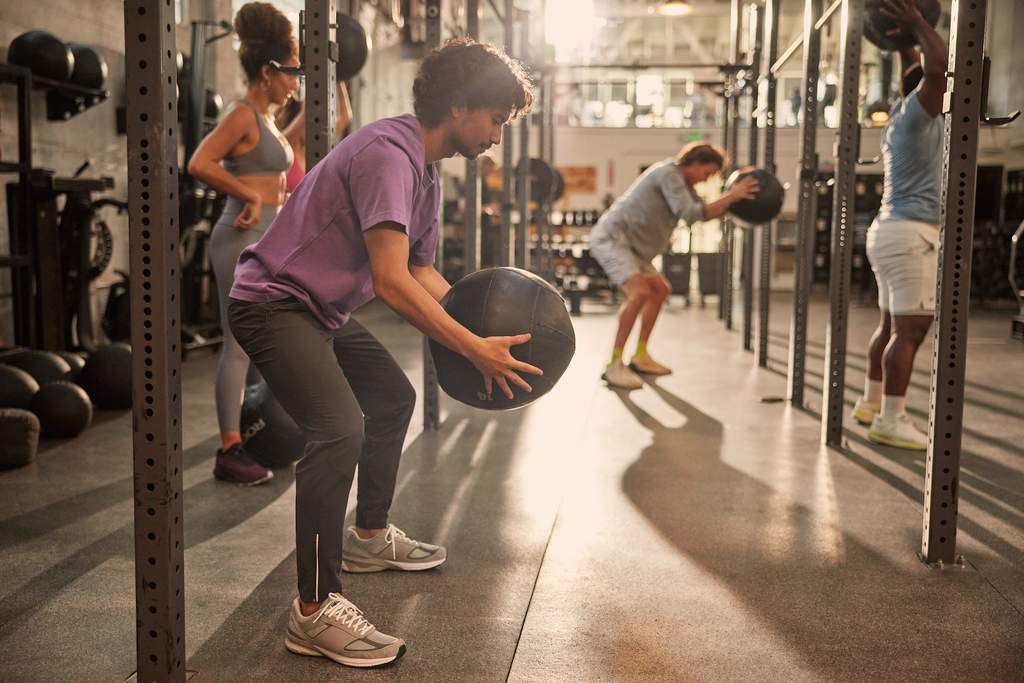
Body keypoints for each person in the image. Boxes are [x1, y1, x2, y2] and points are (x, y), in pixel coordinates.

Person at [227, 38, 536, 667]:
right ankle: (313, 610)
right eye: (497, 121)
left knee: (392, 398)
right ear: (458, 105)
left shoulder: (423, 169)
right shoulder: (388, 154)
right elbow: (391, 281)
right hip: (273, 302)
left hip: (321, 309)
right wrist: (473, 348)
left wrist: (479, 328)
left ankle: (368, 536)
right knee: (338, 429)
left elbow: (421, 272)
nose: (499, 137)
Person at [187, 1, 300, 485]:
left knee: (256, 343)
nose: (296, 81)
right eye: (293, 72)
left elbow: (306, 140)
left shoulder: (268, 118)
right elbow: (199, 162)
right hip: (239, 237)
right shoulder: (241, 114)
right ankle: (229, 449)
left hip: (267, 239)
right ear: (268, 71)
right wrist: (247, 195)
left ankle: (254, 435)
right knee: (237, 345)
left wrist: (335, 82)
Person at [852, 0, 947, 451]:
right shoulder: (920, 116)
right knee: (910, 332)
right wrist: (917, 23)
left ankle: (871, 403)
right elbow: (937, 68)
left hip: (890, 231)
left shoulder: (900, 115)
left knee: (891, 327)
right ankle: (891, 418)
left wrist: (902, 42)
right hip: (911, 236)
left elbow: (917, 68)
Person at [591, 143, 759, 390]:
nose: (707, 179)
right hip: (614, 240)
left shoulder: (686, 186)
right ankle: (614, 364)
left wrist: (737, 202)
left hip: (635, 249)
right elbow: (691, 214)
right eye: (707, 173)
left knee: (660, 290)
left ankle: (640, 355)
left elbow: (705, 214)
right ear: (694, 163)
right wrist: (732, 195)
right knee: (639, 293)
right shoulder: (668, 173)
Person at [276, 80, 354, 194]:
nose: (315, 127)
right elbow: (305, 114)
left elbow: (346, 117)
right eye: (311, 122)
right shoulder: (285, 144)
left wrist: (340, 80)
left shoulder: (314, 144)